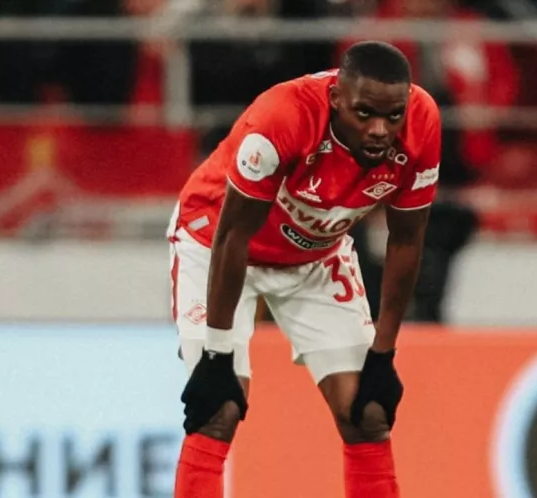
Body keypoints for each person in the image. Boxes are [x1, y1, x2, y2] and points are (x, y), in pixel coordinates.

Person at [166, 41, 441, 498]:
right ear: (336, 99)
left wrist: (383, 353)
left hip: (315, 254)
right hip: (214, 244)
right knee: (217, 410)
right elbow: (233, 236)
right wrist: (216, 354)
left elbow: (407, 239)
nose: (379, 130)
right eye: (365, 114)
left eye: (392, 117)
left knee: (368, 413)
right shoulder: (281, 118)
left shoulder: (423, 121)